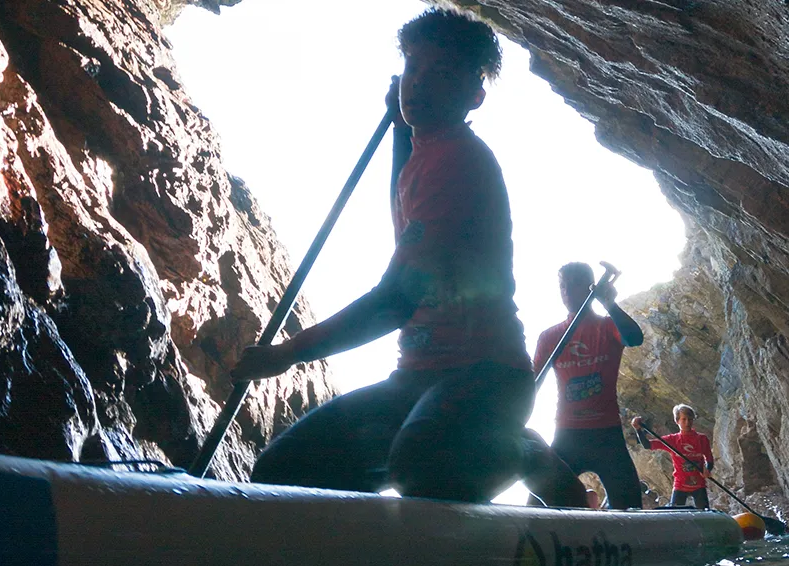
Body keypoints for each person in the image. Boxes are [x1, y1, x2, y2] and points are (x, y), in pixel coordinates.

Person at [230, 8, 587, 508]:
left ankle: (524, 452)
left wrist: (286, 354)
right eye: (413, 68)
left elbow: (395, 301)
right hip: (416, 377)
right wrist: (399, 128)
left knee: (422, 467)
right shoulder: (425, 154)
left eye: (441, 74)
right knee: (282, 471)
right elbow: (404, 214)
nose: (419, 84)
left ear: (475, 96)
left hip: (486, 378)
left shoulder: (459, 161)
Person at [532, 262, 645, 509]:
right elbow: (529, 385)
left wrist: (610, 304)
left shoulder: (607, 326)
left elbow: (635, 338)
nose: (566, 292)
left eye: (573, 285)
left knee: (630, 507)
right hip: (567, 433)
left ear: (590, 287)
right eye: (562, 286)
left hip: (607, 434)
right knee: (536, 506)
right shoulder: (550, 337)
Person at [631, 404, 715, 509]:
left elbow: (709, 458)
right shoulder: (672, 440)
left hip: (699, 485)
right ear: (677, 421)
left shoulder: (702, 439)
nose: (687, 422)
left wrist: (708, 469)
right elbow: (647, 445)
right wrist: (638, 430)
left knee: (704, 514)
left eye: (690, 419)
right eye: (684, 419)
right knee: (676, 513)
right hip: (680, 485)